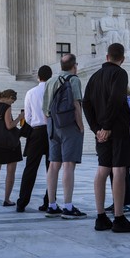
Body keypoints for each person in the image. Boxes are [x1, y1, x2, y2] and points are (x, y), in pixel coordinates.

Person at [82, 43, 130, 233]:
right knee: (119, 171)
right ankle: (118, 217)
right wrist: (106, 127)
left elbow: (86, 103)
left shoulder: (95, 76)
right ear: (122, 59)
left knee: (102, 170)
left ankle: (100, 217)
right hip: (118, 129)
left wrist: (96, 128)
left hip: (101, 132)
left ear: (107, 57)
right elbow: (116, 99)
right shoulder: (120, 73)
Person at [43, 53, 86, 219]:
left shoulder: (50, 81)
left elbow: (44, 107)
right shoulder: (74, 80)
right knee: (69, 164)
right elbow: (76, 104)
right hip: (69, 125)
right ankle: (68, 206)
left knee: (54, 164)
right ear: (74, 66)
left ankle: (52, 205)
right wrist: (81, 126)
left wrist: (51, 124)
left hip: (52, 125)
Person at [16, 65, 52, 213]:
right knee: (52, 168)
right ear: (51, 77)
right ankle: (49, 202)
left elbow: (28, 117)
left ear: (38, 77)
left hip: (36, 132)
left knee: (30, 168)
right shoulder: (53, 91)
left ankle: (22, 202)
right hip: (51, 132)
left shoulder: (31, 92)